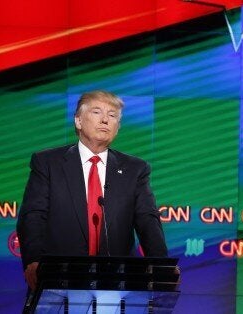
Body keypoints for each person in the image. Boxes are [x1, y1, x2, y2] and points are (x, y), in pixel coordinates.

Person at [17, 90, 168, 291]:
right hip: (57, 279)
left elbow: (148, 221)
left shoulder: (135, 170)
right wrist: (33, 261)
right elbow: (33, 216)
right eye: (97, 112)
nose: (105, 119)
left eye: (112, 115)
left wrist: (161, 266)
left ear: (117, 128)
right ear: (78, 121)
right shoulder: (48, 163)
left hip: (116, 283)